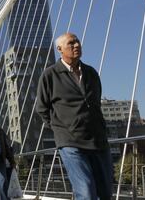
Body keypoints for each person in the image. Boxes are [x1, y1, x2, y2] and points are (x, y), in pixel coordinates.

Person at [36, 32, 113, 200]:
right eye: (71, 43)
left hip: (98, 139)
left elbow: (95, 103)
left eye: (77, 42)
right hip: (70, 142)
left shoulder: (91, 73)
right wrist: (62, 128)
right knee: (85, 192)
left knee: (106, 193)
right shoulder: (50, 75)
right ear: (59, 49)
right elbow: (42, 108)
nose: (76, 45)